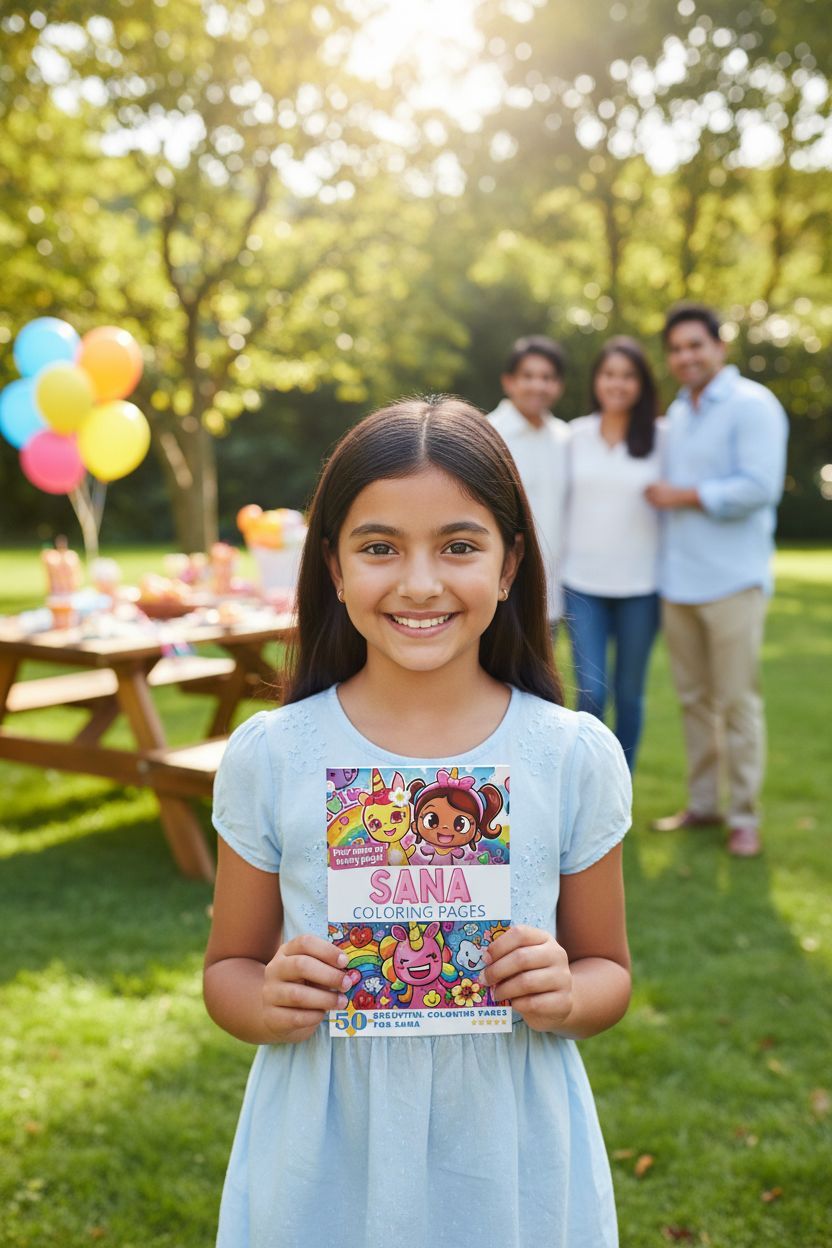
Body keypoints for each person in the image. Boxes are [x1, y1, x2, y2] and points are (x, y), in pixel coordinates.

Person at [204, 397, 633, 1248]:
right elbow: (227, 969)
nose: (420, 582)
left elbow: (608, 971)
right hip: (323, 1157)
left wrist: (567, 991)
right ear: (331, 565)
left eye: (460, 546)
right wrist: (266, 1001)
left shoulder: (569, 753)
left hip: (511, 1155)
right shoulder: (276, 753)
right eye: (379, 548)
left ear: (511, 563)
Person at [646, 304, 788, 858]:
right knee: (693, 701)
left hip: (734, 581)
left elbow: (759, 487)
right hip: (679, 582)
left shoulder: (753, 405)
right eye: (676, 348)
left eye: (695, 345)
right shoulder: (678, 413)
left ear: (719, 347)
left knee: (737, 702)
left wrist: (682, 496)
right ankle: (704, 804)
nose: (686, 356)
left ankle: (744, 815)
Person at [561, 337, 663, 772]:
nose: (617, 384)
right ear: (596, 380)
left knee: (629, 694)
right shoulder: (574, 436)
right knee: (590, 693)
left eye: (627, 375)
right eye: (609, 374)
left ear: (640, 384)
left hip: (642, 587)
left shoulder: (663, 438)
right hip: (583, 583)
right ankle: (586, 782)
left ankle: (621, 787)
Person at [488, 336, 570, 627]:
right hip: (497, 592)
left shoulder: (565, 438)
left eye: (547, 378)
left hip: (552, 593)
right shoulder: (487, 436)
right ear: (509, 382)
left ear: (558, 385)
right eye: (528, 376)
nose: (538, 385)